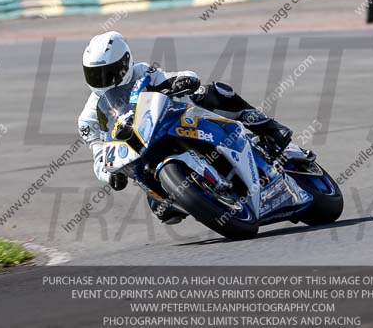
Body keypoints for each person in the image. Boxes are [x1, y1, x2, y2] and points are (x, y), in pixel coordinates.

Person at [77, 31, 295, 224]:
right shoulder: (88, 118)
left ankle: (270, 128)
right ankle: (205, 198)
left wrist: (183, 81)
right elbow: (99, 155)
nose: (102, 81)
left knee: (214, 92)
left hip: (175, 124)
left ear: (125, 63)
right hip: (143, 155)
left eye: (108, 73)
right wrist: (109, 176)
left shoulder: (142, 73)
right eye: (95, 75)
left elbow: (175, 77)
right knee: (163, 212)